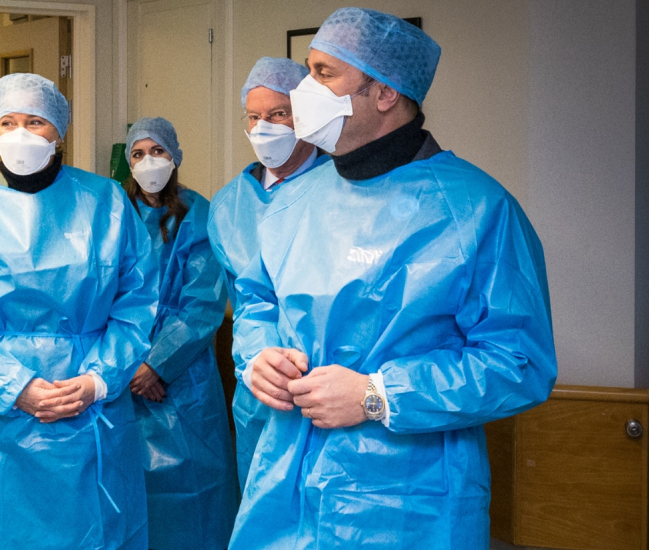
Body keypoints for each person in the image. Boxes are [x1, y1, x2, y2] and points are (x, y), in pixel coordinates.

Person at [230, 8, 556, 548]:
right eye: (308, 70)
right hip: (283, 484)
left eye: (325, 73)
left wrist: (376, 395)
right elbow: (258, 301)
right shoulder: (291, 203)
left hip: (406, 501)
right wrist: (258, 354)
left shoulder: (474, 210)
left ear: (385, 93)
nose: (305, 88)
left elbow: (519, 362)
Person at [0, 73, 158, 550]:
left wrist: (98, 379)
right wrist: (15, 387)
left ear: (60, 132)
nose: (21, 135)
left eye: (36, 122)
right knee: (1, 532)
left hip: (92, 406)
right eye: (7, 122)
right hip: (0, 417)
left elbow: (137, 301)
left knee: (97, 530)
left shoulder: (105, 203)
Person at [208, 56, 329, 488]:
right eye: (255, 116)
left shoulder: (340, 189)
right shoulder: (228, 205)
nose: (266, 126)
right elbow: (244, 303)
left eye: (279, 114)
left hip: (325, 380)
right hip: (257, 388)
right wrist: (257, 358)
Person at [121, 117, 238, 550]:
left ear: (176, 157)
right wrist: (130, 364)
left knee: (195, 501)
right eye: (138, 154)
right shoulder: (115, 213)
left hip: (184, 382)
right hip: (121, 376)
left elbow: (202, 303)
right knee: (126, 497)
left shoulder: (198, 215)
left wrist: (157, 364)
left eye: (158, 151)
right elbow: (98, 296)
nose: (148, 161)